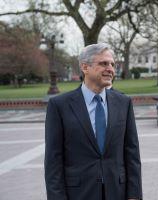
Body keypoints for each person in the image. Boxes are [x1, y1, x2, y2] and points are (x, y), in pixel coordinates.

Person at [45, 43, 142, 200]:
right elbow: (53, 161)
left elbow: (132, 154)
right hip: (78, 194)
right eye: (103, 63)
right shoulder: (59, 106)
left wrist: (134, 195)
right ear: (85, 67)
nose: (110, 69)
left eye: (112, 64)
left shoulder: (124, 103)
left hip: (117, 192)